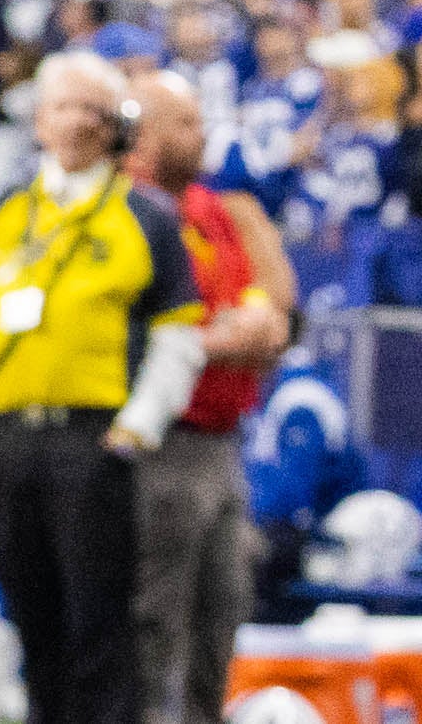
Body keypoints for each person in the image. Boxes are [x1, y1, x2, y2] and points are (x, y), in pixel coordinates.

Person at [0, 51, 207, 724]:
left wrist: (137, 426)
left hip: (92, 441)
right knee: (32, 621)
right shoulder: (4, 213)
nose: (78, 122)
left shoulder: (143, 218)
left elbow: (180, 333)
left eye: (94, 109)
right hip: (8, 439)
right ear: (39, 120)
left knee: (99, 626)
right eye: (63, 106)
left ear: (118, 127)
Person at [126, 69, 291, 724]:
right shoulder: (131, 211)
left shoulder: (214, 211)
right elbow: (138, 331)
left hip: (222, 438)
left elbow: (270, 306)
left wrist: (259, 326)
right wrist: (229, 338)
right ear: (146, 136)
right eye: (186, 124)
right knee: (157, 612)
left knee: (223, 602)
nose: (202, 137)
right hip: (164, 440)